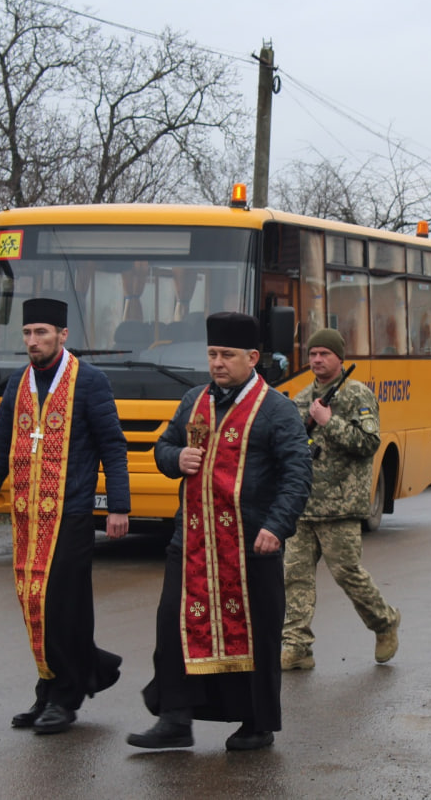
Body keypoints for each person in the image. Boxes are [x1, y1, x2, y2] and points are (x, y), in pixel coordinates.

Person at [129, 312, 311, 752]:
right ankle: (174, 718)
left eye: (227, 355)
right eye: (212, 354)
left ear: (252, 358)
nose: (217, 363)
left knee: (254, 635)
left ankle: (255, 722)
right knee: (173, 627)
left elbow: (298, 473)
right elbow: (163, 446)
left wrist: (276, 525)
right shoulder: (194, 400)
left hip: (251, 543)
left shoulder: (277, 409)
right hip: (190, 542)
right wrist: (176, 460)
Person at [0, 297, 130, 735]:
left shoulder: (89, 382)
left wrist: (118, 506)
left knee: (62, 605)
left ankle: (65, 697)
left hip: (71, 514)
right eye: (27, 333)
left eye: (41, 332)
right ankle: (65, 680)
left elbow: (113, 446)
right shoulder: (18, 383)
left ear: (63, 336)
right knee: (33, 602)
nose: (32, 341)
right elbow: (1, 448)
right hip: (26, 516)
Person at [281, 329, 400, 670]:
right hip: (303, 505)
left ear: (339, 358)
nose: (317, 359)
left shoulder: (357, 396)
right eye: (313, 353)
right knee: (295, 577)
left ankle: (384, 622)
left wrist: (329, 422)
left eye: (324, 354)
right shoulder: (302, 398)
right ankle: (296, 645)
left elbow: (368, 443)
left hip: (340, 506)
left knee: (348, 574)